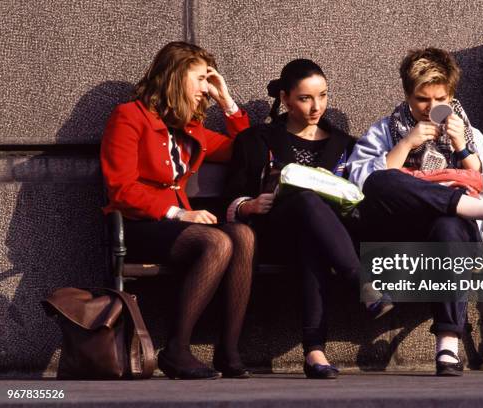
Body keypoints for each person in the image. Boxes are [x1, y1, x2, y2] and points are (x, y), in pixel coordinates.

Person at [347, 47, 483, 376]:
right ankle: (468, 206)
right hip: (401, 234)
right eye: (422, 100)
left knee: (448, 224)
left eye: (440, 99)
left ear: (452, 95)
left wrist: (462, 147)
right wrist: (405, 146)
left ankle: (447, 347)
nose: (432, 109)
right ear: (407, 95)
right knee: (380, 182)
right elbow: (358, 184)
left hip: (454, 237)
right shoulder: (385, 131)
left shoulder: (469, 134)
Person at [224, 59, 392, 380]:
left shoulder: (345, 145)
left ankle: (315, 353)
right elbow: (229, 197)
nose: (317, 107)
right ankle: (360, 281)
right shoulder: (258, 140)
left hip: (330, 237)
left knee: (313, 235)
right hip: (273, 233)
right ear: (286, 99)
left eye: (323, 96)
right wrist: (248, 205)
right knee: (304, 199)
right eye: (305, 98)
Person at [101, 42, 254, 380]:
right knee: (217, 243)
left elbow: (248, 152)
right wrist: (178, 214)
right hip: (137, 226)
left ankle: (229, 352)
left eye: (208, 81)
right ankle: (176, 350)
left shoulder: (191, 129)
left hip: (178, 226)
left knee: (241, 234)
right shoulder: (129, 117)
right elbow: (121, 188)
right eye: (200, 79)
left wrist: (227, 102)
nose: (206, 89)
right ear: (174, 76)